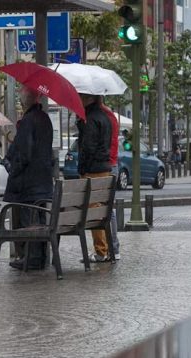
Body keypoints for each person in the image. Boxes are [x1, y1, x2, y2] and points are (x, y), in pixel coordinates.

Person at [3, 85, 55, 270]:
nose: (19, 99)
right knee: (39, 219)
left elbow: (24, 154)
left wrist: (12, 168)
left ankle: (30, 259)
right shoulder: (45, 119)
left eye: (20, 96)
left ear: (26, 100)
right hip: (43, 183)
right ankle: (39, 257)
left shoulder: (28, 121)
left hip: (28, 185)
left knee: (28, 220)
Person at [76, 93, 112, 262]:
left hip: (93, 170)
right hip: (104, 168)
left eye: (81, 96)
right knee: (101, 209)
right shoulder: (104, 117)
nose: (78, 98)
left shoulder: (90, 119)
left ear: (89, 98)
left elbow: (88, 147)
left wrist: (82, 169)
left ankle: (100, 250)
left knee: (93, 210)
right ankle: (105, 249)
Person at [98, 96, 122, 261]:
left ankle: (110, 248)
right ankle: (113, 248)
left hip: (106, 166)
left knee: (106, 209)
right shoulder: (110, 116)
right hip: (112, 164)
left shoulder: (101, 117)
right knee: (108, 208)